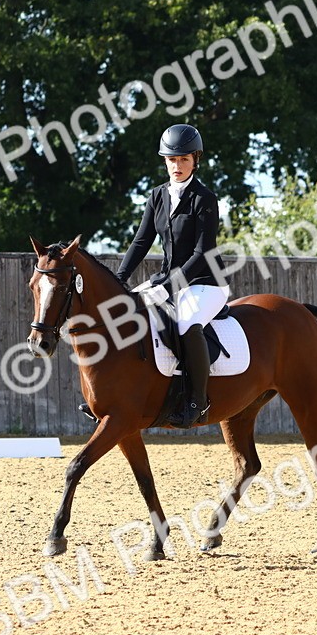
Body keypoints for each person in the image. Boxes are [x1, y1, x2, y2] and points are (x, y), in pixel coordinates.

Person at [115, 123, 228, 427]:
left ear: (195, 160)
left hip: (205, 283)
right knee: (122, 314)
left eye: (183, 160)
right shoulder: (157, 196)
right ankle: (113, 395)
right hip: (167, 281)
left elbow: (203, 252)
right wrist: (119, 279)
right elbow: (141, 241)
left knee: (188, 323)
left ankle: (198, 401)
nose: (177, 166)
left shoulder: (204, 199)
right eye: (171, 160)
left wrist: (168, 287)